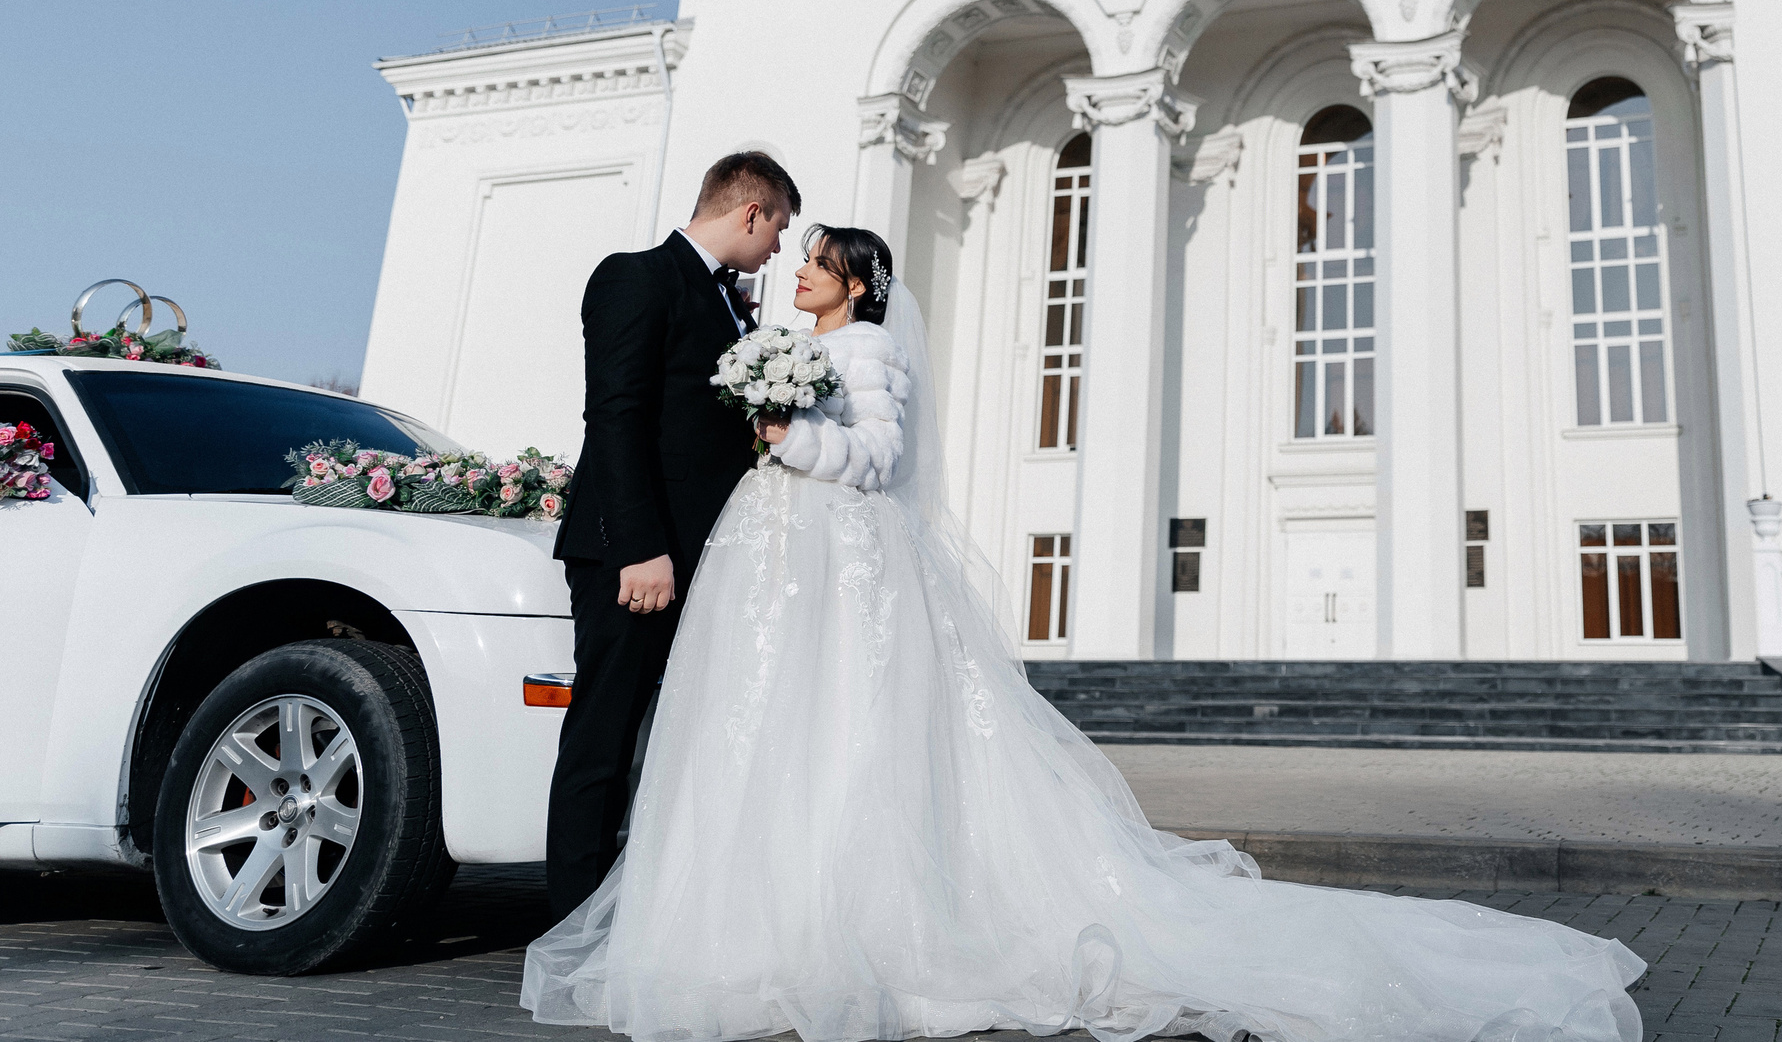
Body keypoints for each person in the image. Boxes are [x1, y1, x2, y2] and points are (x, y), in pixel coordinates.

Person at [524, 220, 1643, 1042]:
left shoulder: (867, 353)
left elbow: (870, 460)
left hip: (835, 556)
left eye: (820, 260)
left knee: (837, 734)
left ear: (859, 287)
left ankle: (832, 920)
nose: (802, 267)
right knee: (770, 734)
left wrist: (788, 437)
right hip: (783, 560)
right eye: (802, 255)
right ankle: (755, 914)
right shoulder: (788, 336)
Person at [542, 150, 800, 924]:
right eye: (779, 228)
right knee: (605, 733)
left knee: (671, 738)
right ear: (750, 212)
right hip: (636, 555)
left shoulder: (729, 304)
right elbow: (614, 416)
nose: (779, 249)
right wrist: (639, 547)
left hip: (697, 558)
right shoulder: (636, 275)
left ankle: (641, 913)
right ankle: (571, 925)